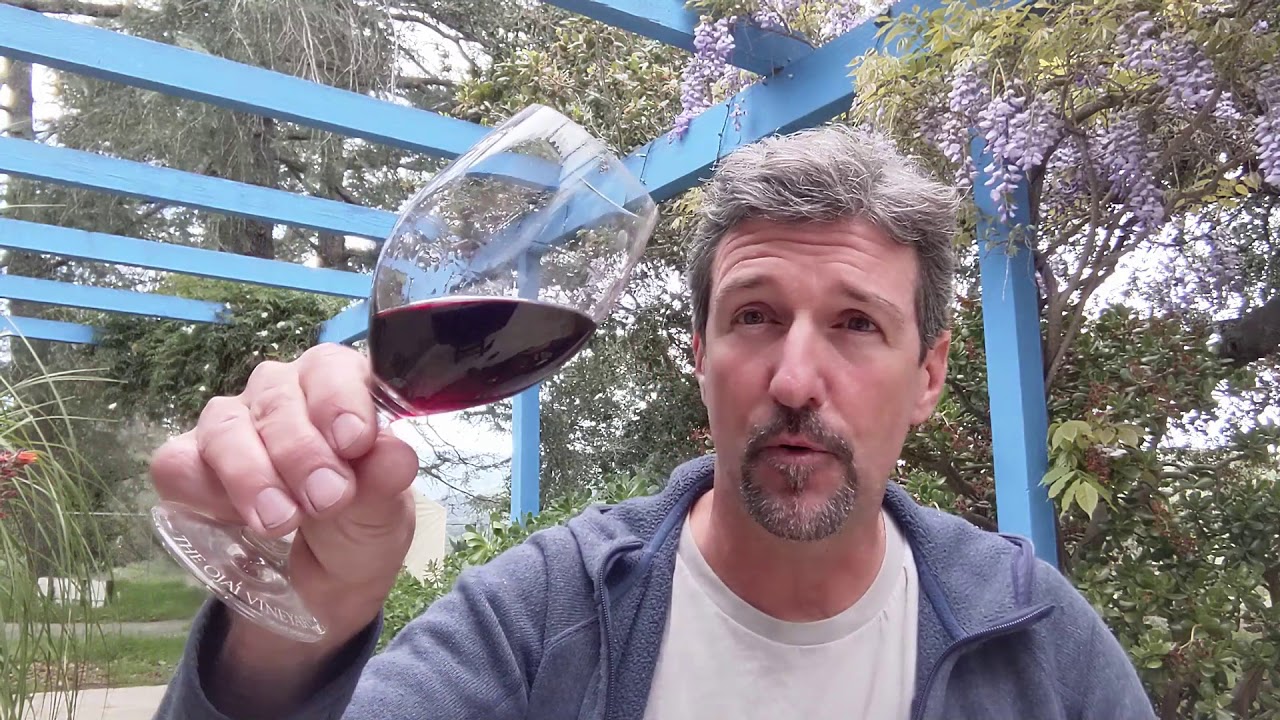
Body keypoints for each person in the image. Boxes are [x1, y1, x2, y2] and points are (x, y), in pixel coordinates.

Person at [149, 124, 1155, 720]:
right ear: (698, 355)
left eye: (857, 325)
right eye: (754, 316)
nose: (794, 378)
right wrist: (289, 637)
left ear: (928, 375)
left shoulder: (1033, 638)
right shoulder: (548, 612)